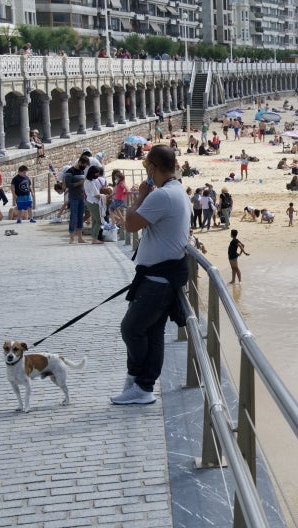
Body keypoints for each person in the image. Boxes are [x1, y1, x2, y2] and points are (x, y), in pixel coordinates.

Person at [111, 144, 190, 405]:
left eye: (147, 167)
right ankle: (142, 386)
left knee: (131, 329)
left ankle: (139, 381)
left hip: (157, 280)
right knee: (153, 332)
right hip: (162, 276)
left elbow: (131, 225)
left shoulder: (162, 195)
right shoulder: (177, 191)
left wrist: (140, 197)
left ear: (153, 168)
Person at [64, 155, 90, 243]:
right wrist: (79, 183)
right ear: (80, 162)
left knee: (80, 217)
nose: (85, 166)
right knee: (73, 217)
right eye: (84, 164)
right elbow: (68, 185)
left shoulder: (82, 171)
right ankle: (71, 237)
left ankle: (80, 237)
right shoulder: (70, 171)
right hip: (73, 197)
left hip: (81, 197)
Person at [84, 165, 107, 244]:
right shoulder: (90, 183)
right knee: (99, 221)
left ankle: (94, 237)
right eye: (96, 173)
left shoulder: (87, 181)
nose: (97, 175)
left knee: (94, 220)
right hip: (93, 202)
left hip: (90, 202)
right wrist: (105, 196)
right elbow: (96, 195)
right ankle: (94, 239)